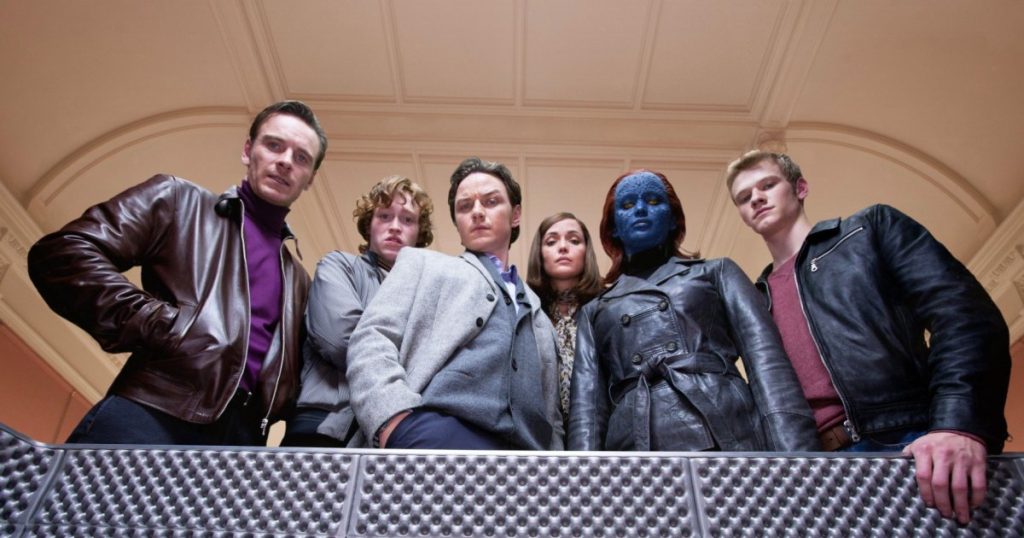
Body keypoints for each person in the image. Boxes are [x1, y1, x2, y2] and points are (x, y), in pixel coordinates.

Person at [725, 150, 1011, 524]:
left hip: (906, 442)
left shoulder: (869, 231)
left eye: (767, 185)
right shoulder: (752, 301)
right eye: (744, 197)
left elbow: (963, 316)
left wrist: (959, 424)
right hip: (812, 471)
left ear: (800, 188)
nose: (756, 198)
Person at [27, 100, 327, 446]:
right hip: (155, 411)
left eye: (301, 157)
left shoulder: (299, 280)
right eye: (274, 145)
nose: (286, 161)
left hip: (242, 442)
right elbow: (63, 255)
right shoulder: (179, 201)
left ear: (310, 179)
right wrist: (167, 326)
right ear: (248, 151)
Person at [567, 170, 819, 452]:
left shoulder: (717, 271)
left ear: (673, 219)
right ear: (613, 227)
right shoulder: (595, 310)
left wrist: (796, 458)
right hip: (635, 448)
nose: (640, 209)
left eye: (653, 201)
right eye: (627, 205)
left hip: (724, 429)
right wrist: (584, 474)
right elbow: (587, 412)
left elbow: (767, 364)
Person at [346, 157, 563, 450]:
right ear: (457, 224)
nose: (477, 212)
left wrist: (556, 463)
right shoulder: (421, 263)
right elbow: (372, 338)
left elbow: (552, 412)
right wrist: (394, 422)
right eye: (465, 206)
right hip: (434, 435)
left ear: (515, 215)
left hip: (527, 456)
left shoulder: (540, 316)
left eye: (491, 202)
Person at [281, 176, 434, 447]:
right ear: (369, 224)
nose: (395, 227)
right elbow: (340, 339)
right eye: (384, 216)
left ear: (419, 232)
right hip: (326, 426)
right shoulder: (339, 266)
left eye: (407, 220)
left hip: (394, 430)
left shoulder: (427, 294)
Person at [526, 212, 603, 426]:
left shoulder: (607, 307)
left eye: (574, 240)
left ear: (586, 251)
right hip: (543, 430)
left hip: (599, 430)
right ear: (539, 254)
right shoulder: (526, 311)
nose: (562, 247)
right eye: (551, 242)